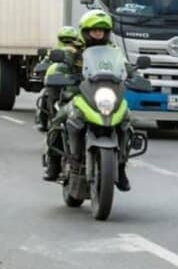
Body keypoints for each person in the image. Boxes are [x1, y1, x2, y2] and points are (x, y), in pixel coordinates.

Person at [43, 10, 133, 191]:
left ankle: (121, 167)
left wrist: (135, 75)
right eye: (94, 30)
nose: (98, 34)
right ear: (85, 31)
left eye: (102, 30)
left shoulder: (114, 51)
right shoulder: (73, 50)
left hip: (107, 96)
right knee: (58, 120)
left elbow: (126, 68)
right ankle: (53, 163)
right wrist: (59, 73)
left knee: (126, 121)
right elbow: (60, 66)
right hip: (79, 94)